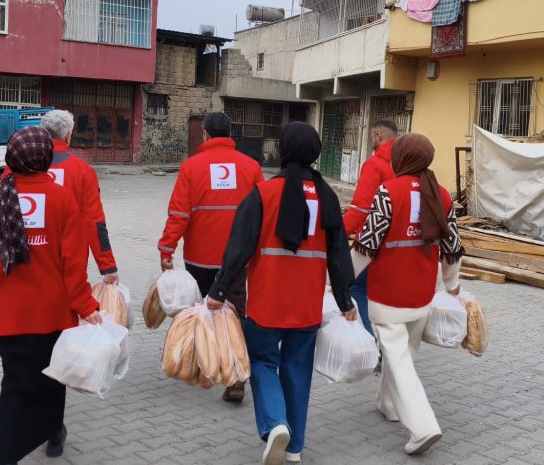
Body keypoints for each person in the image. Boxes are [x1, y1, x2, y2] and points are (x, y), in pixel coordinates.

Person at [207, 121, 357, 465]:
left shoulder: (263, 194)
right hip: (306, 304)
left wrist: (218, 289)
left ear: (284, 150)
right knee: (297, 370)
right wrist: (345, 300)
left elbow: (239, 247)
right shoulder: (328, 196)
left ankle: (276, 424)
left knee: (261, 361)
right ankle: (295, 447)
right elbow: (338, 253)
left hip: (266, 301)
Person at [0, 127, 101, 464]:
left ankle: (9, 455)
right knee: (52, 380)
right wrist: (86, 307)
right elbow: (73, 266)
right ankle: (53, 435)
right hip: (54, 316)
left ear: (11, 158)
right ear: (45, 157)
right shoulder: (63, 199)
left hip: (10, 319)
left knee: (15, 387)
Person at [351, 133, 464, 456]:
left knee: (398, 359)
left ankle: (423, 427)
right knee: (405, 354)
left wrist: (340, 278)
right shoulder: (441, 195)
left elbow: (367, 244)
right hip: (421, 295)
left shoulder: (389, 191)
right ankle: (388, 404)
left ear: (401, 159)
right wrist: (452, 285)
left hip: (388, 293)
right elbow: (452, 247)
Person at [157, 111, 263, 402]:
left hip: (199, 258)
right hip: (237, 258)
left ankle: (202, 365)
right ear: (230, 135)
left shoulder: (191, 166)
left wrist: (167, 249)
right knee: (236, 312)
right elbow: (260, 213)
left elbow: (179, 213)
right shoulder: (251, 167)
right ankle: (237, 376)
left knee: (202, 310)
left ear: (204, 134)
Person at [3, 109, 120, 285]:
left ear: (42, 132)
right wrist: (107, 266)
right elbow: (94, 221)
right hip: (69, 261)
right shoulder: (83, 171)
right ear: (68, 136)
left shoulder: (14, 167)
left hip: (22, 258)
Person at [343, 119, 399, 334]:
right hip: (402, 242)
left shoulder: (375, 164)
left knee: (356, 287)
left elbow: (360, 208)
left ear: (377, 136)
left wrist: (338, 233)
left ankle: (368, 341)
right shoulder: (407, 163)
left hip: (372, 241)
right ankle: (392, 343)